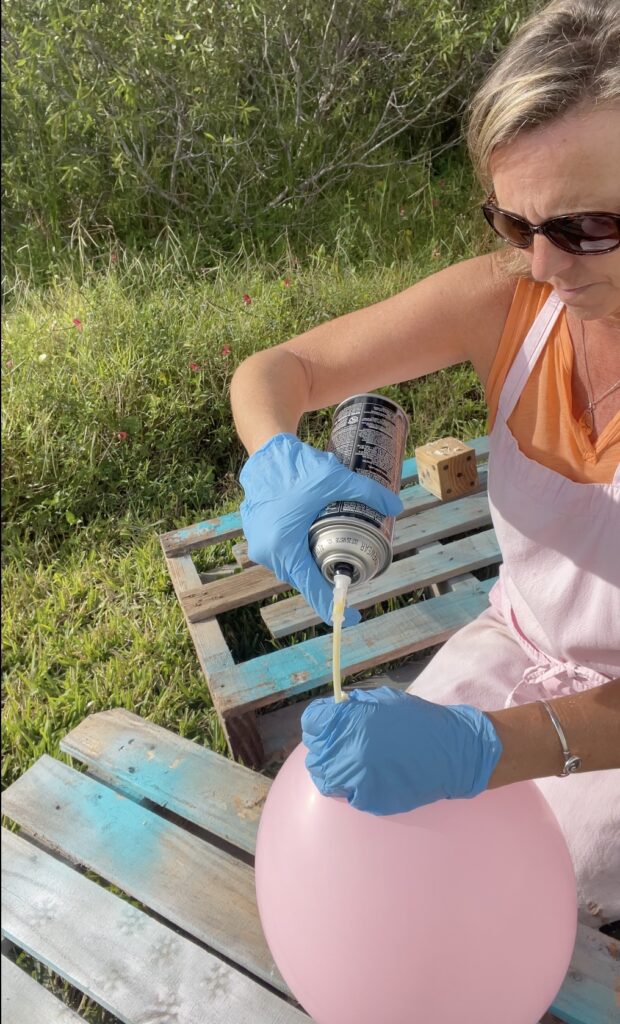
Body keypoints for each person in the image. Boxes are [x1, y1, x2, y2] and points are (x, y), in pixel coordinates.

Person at [230, 0, 620, 932]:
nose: (544, 264)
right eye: (514, 220)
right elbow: (279, 370)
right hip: (515, 645)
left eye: (589, 227)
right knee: (363, 854)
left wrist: (477, 749)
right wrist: (279, 461)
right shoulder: (514, 301)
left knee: (502, 918)